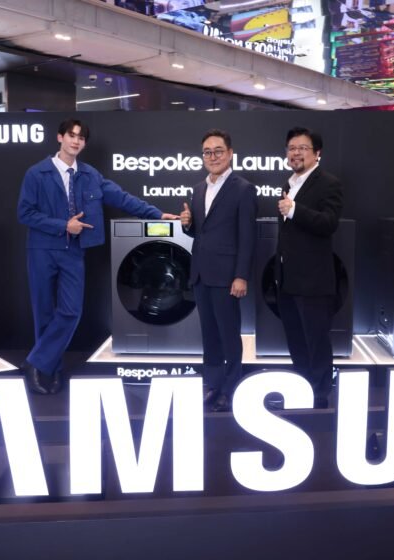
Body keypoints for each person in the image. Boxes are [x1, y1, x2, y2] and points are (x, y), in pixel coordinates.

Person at [18, 119, 178, 395]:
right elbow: (25, 213)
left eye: (81, 137)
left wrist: (158, 214)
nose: (76, 141)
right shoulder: (36, 173)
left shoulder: (90, 175)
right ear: (60, 137)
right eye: (72, 135)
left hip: (73, 252)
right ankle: (51, 369)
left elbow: (123, 198)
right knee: (43, 312)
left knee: (70, 311)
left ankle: (35, 363)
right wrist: (63, 225)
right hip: (42, 250)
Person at [180, 129, 257, 412]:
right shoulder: (198, 188)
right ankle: (212, 385)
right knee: (209, 334)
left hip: (227, 276)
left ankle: (231, 387)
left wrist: (241, 275)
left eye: (218, 151)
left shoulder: (243, 189)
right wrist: (188, 224)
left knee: (228, 335)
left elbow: (248, 237)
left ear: (230, 154)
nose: (212, 157)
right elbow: (200, 233)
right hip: (201, 273)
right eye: (207, 152)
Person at [275, 127, 343, 409]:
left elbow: (329, 223)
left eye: (302, 148)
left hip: (313, 281)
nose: (296, 153)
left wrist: (294, 210)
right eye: (292, 148)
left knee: (316, 342)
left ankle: (319, 396)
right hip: (287, 279)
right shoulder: (288, 183)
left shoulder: (328, 183)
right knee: (297, 341)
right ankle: (302, 391)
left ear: (317, 153)